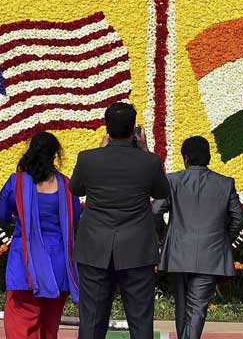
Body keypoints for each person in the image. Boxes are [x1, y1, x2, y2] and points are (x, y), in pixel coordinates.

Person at [70, 102, 170, 339]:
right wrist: (145, 150)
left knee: (92, 322)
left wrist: (99, 151)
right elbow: (162, 192)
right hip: (136, 250)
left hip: (95, 249)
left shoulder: (88, 159)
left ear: (107, 128)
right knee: (140, 322)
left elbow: (75, 189)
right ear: (133, 130)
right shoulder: (150, 161)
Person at [153, 136, 243, 339]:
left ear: (186, 158)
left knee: (181, 306)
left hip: (177, 253)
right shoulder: (225, 183)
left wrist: (164, 236)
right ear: (209, 157)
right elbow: (239, 218)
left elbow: (155, 211)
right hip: (211, 254)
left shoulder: (172, 180)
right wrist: (223, 238)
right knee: (197, 308)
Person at [0, 132, 81, 339]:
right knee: (49, 329)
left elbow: (3, 215)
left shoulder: (17, 182)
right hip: (59, 265)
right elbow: (75, 218)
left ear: (30, 152)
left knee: (21, 326)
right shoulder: (67, 185)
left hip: (26, 266)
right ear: (55, 156)